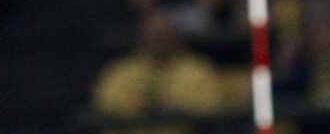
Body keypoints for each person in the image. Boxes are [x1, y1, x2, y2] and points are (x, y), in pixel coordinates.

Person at [90, 9, 242, 134]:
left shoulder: (197, 70)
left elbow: (213, 108)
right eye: (155, 36)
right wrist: (144, 106)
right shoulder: (121, 72)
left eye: (165, 35)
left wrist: (177, 108)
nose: (160, 40)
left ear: (177, 36)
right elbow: (107, 105)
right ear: (142, 37)